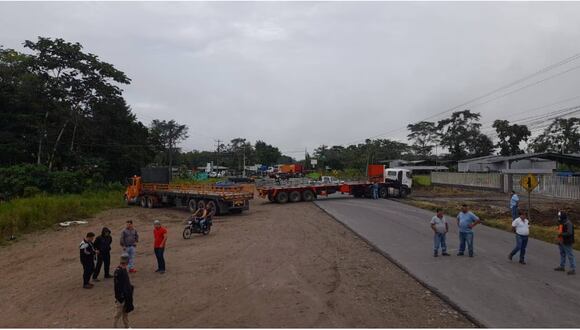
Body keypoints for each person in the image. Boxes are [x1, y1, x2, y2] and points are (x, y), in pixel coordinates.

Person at [113, 255, 134, 328]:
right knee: (118, 313)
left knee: (125, 312)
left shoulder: (123, 269)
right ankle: (114, 327)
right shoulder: (118, 272)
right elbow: (117, 286)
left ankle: (127, 326)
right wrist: (120, 297)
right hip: (121, 297)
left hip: (126, 295)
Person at [554, 211, 576, 275]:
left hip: (567, 241)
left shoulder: (568, 223)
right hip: (561, 241)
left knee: (570, 255)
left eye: (560, 216)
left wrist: (561, 234)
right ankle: (562, 266)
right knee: (562, 254)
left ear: (563, 216)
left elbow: (570, 232)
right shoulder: (561, 222)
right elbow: (560, 230)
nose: (559, 217)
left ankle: (573, 269)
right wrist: (559, 236)